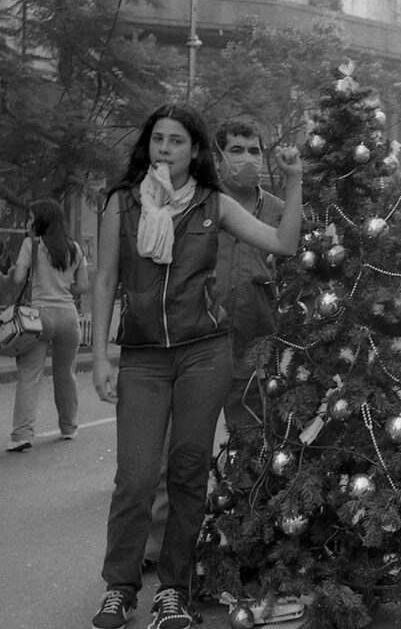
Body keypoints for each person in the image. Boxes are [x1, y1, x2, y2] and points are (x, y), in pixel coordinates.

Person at [89, 104, 302, 629]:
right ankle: (119, 589)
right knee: (137, 476)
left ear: (195, 150)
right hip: (143, 356)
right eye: (158, 139)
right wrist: (99, 357)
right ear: (148, 145)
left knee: (188, 473)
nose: (165, 149)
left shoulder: (214, 203)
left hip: (204, 352)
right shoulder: (122, 202)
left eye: (177, 141)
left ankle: (173, 593)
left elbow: (284, 243)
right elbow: (105, 278)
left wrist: (296, 178)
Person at [142, 119, 284, 568]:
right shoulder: (198, 204)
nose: (248, 159)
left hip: (255, 350)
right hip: (198, 346)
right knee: (179, 453)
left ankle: (246, 539)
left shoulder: (279, 212)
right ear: (219, 157)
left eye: (254, 150)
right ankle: (157, 546)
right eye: (237, 150)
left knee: (251, 450)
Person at [0, 198, 88, 452]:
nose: (27, 223)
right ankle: (69, 427)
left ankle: (22, 434)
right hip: (69, 317)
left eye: (31, 218)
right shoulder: (75, 249)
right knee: (65, 374)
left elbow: (19, 278)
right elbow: (83, 286)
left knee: (29, 374)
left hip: (39, 317)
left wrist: (3, 269)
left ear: (42, 221)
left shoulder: (31, 245)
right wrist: (63, 286)